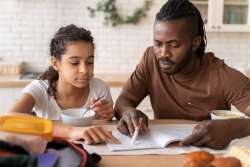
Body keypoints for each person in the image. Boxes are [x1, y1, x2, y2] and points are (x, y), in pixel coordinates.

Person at [114, 0, 250, 150]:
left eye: (174, 45)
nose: (163, 54)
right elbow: (124, 101)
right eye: (158, 44)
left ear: (195, 43)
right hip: (162, 151)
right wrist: (129, 112)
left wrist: (232, 128)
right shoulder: (150, 59)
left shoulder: (222, 75)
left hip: (207, 155)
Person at [9, 24, 117, 144]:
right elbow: (11, 119)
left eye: (89, 62)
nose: (84, 70)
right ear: (55, 63)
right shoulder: (39, 89)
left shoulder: (100, 88)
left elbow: (103, 129)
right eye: (75, 63)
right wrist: (70, 131)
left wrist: (105, 118)